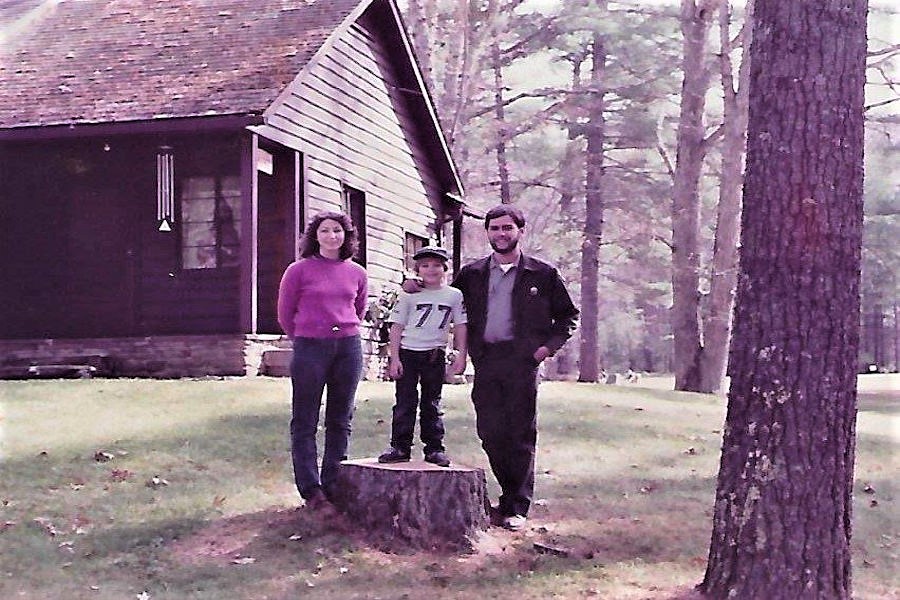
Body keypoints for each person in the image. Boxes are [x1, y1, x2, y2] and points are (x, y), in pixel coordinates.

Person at [405, 204, 578, 531]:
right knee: (490, 432)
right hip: (486, 360)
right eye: (495, 228)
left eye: (507, 228)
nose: (501, 234)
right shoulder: (473, 275)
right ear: (487, 233)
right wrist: (414, 287)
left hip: (523, 361)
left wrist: (544, 350)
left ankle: (517, 505)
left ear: (520, 232)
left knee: (520, 433)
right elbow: (446, 299)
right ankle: (509, 495)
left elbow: (568, 317)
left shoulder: (542, 274)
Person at [277, 210, 368, 513]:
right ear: (315, 236)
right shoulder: (298, 270)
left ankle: (333, 483)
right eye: (326, 231)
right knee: (305, 419)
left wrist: (342, 331)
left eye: (338, 231)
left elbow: (359, 309)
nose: (332, 236)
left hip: (348, 347)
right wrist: (306, 336)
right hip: (310, 348)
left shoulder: (357, 272)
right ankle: (311, 490)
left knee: (340, 419)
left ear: (346, 236)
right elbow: (285, 314)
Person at [377, 246, 468, 468]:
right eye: (425, 265)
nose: (431, 270)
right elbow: (396, 326)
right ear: (417, 269)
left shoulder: (454, 295)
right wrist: (394, 357)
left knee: (432, 402)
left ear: (445, 268)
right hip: (409, 352)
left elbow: (461, 325)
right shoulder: (409, 294)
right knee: (405, 402)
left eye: (437, 265)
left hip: (434, 354)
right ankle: (400, 446)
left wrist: (461, 354)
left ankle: (434, 448)